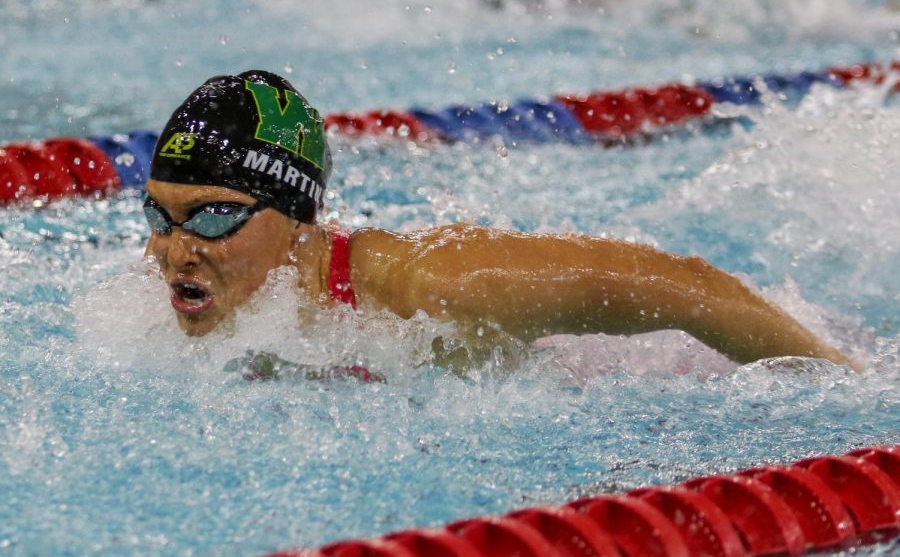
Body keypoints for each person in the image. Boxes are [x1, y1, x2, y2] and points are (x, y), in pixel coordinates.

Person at [144, 70, 858, 376]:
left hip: (673, 369)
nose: (176, 251)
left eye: (212, 217)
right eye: (161, 216)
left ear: (300, 222)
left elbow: (690, 288)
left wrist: (846, 386)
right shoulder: (195, 293)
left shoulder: (438, 285)